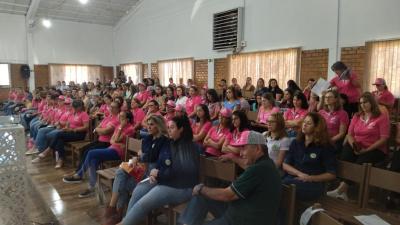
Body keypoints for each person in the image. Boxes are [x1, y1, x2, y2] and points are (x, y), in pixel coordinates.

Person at [179, 130, 282, 225]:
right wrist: (233, 158)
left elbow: (227, 195)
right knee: (202, 196)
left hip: (239, 220)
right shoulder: (267, 165)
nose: (240, 153)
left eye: (244, 148)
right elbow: (246, 165)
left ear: (258, 148)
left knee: (202, 192)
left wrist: (201, 189)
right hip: (238, 213)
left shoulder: (258, 169)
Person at [117, 115, 200, 225]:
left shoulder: (187, 147)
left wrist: (159, 174)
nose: (169, 130)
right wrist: (155, 173)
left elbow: (183, 173)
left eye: (172, 127)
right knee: (138, 193)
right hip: (167, 182)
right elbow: (162, 162)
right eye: (168, 127)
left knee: (144, 203)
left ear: (181, 129)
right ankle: (125, 221)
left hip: (182, 187)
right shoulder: (172, 143)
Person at [102, 115, 170, 224]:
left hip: (154, 177)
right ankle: (114, 209)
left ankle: (123, 218)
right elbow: (145, 155)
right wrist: (137, 158)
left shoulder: (165, 141)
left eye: (152, 124)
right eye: (148, 124)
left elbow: (152, 157)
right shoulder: (148, 138)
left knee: (122, 184)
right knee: (120, 173)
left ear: (159, 125)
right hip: (143, 171)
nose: (148, 126)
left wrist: (141, 156)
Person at [327, 92, 390, 201]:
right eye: (361, 103)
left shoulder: (381, 117)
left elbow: (384, 139)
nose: (363, 105)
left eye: (365, 102)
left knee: (360, 161)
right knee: (345, 156)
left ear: (372, 102)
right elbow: (350, 134)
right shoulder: (357, 116)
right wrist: (354, 146)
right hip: (357, 145)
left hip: (375, 148)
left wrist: (366, 150)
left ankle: (341, 190)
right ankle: (344, 191)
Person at [63, 110, 135, 198]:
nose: (119, 118)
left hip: (119, 153)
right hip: (112, 148)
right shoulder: (119, 126)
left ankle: (80, 174)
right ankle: (92, 187)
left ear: (127, 119)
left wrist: (120, 130)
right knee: (93, 160)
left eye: (122, 117)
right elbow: (112, 141)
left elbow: (115, 139)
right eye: (119, 116)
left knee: (91, 153)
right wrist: (118, 142)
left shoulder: (130, 129)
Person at [283, 112, 337, 200]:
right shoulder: (296, 142)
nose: (304, 125)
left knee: (283, 187)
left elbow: (331, 174)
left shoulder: (325, 147)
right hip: (293, 179)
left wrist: (309, 178)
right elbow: (285, 164)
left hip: (313, 184)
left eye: (309, 123)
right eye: (304, 122)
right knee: (277, 183)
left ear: (317, 127)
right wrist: (299, 174)